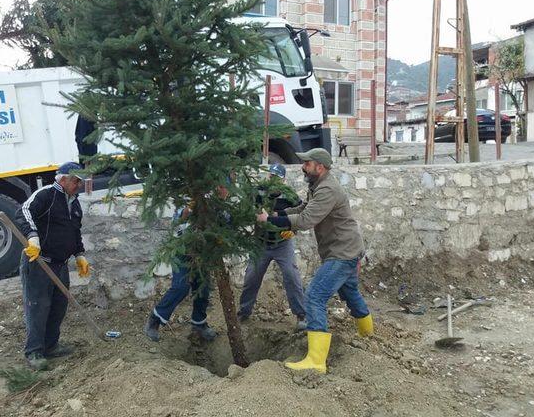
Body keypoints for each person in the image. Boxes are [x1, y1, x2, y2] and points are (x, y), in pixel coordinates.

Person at [257, 148, 373, 373]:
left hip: (342, 253)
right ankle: (367, 335)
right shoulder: (318, 185)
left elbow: (306, 219)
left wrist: (274, 221)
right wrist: (275, 216)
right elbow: (303, 208)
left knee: (314, 296)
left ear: (319, 167)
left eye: (307, 163)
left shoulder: (328, 189)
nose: (303, 166)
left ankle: (316, 361)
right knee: (350, 293)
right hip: (345, 250)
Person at [15, 162, 90, 371]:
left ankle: (50, 345)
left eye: (81, 181)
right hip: (39, 263)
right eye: (76, 181)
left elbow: (75, 231)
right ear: (63, 179)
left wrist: (79, 254)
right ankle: (34, 352)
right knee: (38, 307)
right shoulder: (46, 195)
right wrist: (32, 237)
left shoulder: (74, 203)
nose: (79, 185)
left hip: (60, 264)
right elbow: (24, 212)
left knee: (58, 307)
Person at [143, 186, 230, 343]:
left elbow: (226, 224)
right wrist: (187, 214)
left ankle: (199, 323)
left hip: (203, 253)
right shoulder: (192, 200)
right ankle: (154, 320)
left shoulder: (220, 207)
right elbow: (177, 224)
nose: (223, 190)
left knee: (203, 287)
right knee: (181, 287)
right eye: (221, 187)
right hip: (184, 250)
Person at [238, 163, 307, 330]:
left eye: (277, 177)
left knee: (291, 275)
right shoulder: (259, 191)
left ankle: (301, 315)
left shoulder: (289, 195)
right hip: (261, 243)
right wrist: (253, 216)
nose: (273, 180)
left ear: (283, 180)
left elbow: (301, 213)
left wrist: (293, 230)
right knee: (251, 277)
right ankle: (243, 313)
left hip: (283, 243)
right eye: (271, 176)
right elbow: (247, 210)